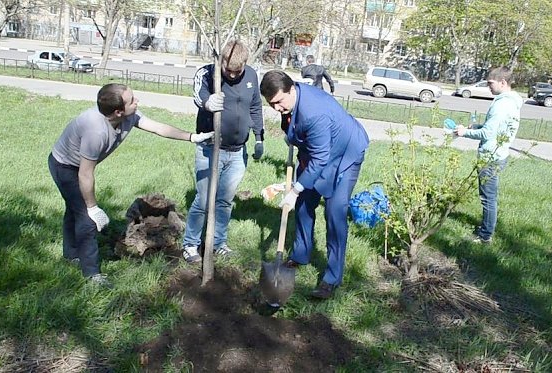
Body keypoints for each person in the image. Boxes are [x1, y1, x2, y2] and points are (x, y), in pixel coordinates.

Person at [48, 83, 213, 287]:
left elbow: (158, 127)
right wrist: (92, 207)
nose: (137, 102)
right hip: (65, 167)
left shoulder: (128, 116)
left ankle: (71, 254)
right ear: (118, 111)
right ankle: (91, 275)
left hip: (80, 168)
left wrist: (192, 137)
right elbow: (85, 173)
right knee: (85, 218)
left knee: (73, 210)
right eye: (132, 100)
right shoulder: (96, 130)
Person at [260, 70, 369, 299]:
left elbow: (321, 158)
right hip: (317, 153)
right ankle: (300, 254)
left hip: (344, 155)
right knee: (302, 206)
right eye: (272, 105)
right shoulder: (291, 96)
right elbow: (305, 139)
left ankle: (331, 277)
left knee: (335, 213)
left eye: (279, 102)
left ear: (291, 90)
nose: (277, 108)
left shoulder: (314, 113)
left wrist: (296, 189)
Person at [181, 40, 265, 263]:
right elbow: (198, 95)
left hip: (238, 152)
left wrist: (259, 137)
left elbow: (255, 106)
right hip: (210, 148)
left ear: (245, 64)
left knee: (225, 201)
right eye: (228, 70)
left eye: (237, 71)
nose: (233, 75)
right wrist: (208, 102)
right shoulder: (208, 74)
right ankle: (190, 244)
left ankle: (218, 243)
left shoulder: (251, 76)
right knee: (204, 199)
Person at [454, 67, 522, 244]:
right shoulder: (511, 101)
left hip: (490, 157)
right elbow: (492, 128)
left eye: (490, 83)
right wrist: (474, 128)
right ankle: (486, 229)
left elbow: (488, 134)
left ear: (503, 82)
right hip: (499, 153)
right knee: (489, 196)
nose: (488, 87)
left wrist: (463, 133)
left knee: (488, 198)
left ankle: (485, 236)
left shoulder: (502, 104)